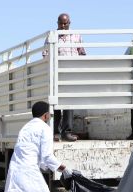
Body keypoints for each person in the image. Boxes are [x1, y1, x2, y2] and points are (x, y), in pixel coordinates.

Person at [4, 101, 71, 192]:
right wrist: (64, 168)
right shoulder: (44, 128)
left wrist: (44, 166)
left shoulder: (26, 127)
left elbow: (38, 156)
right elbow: (47, 156)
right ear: (46, 115)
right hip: (28, 170)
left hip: (16, 170)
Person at [42, 13, 85, 142]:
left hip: (71, 73)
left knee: (69, 103)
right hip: (56, 73)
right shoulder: (51, 36)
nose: (63, 25)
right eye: (61, 23)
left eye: (65, 23)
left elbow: (82, 52)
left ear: (69, 23)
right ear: (57, 23)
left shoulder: (76, 35)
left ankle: (66, 132)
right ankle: (55, 132)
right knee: (55, 105)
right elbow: (45, 55)